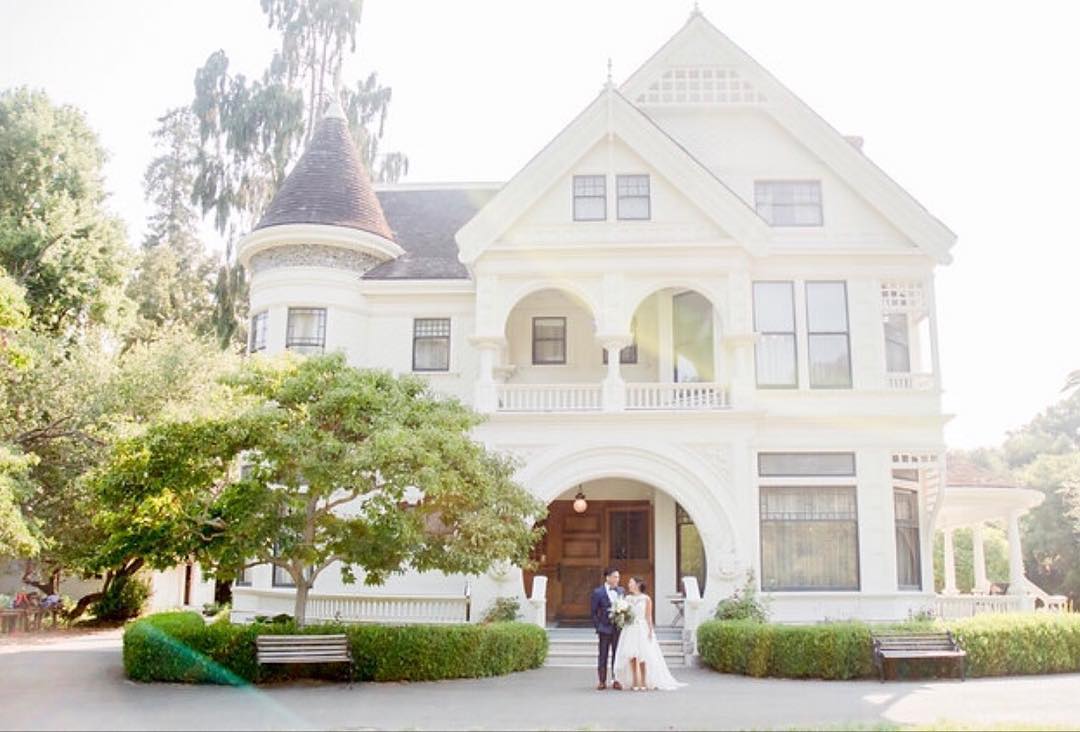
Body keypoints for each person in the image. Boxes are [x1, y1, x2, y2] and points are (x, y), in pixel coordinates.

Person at [613, 577, 685, 691]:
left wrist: (650, 630)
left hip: (642, 627)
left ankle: (643, 681)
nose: (629, 584)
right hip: (630, 627)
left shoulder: (646, 599)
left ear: (637, 584)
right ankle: (635, 682)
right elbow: (624, 614)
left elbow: (648, 616)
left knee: (643, 655)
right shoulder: (627, 598)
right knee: (631, 654)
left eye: (631, 582)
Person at [589, 567, 624, 690]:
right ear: (608, 577)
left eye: (618, 577)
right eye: (615, 577)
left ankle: (616, 679)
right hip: (604, 628)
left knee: (617, 654)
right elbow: (593, 612)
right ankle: (602, 680)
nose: (617, 579)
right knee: (603, 654)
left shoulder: (621, 591)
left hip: (617, 628)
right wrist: (598, 626)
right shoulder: (598, 592)